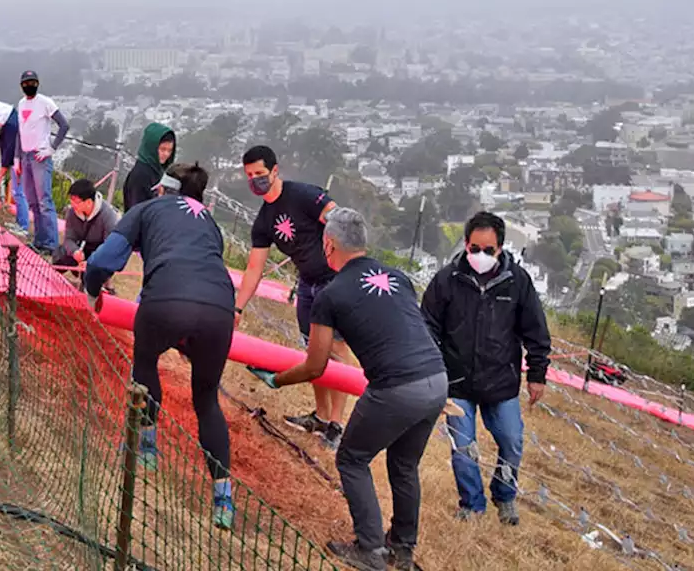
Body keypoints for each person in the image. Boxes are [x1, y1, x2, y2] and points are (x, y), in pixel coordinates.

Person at [254, 208, 447, 571]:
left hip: (395, 388)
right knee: (404, 464)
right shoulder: (398, 277)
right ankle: (402, 550)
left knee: (351, 458)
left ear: (328, 245)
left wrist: (276, 379)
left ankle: (370, 550)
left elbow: (316, 365)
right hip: (436, 380)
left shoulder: (331, 294)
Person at [83, 163, 237, 529]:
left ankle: (146, 448)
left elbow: (103, 260)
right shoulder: (210, 222)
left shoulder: (147, 209)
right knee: (206, 398)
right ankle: (223, 499)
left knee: (146, 362)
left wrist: (90, 293)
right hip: (220, 309)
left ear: (164, 190)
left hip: (166, 298)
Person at [420, 211, 552, 526]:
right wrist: (434, 369)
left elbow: (535, 330)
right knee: (462, 449)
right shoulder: (446, 280)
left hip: (501, 382)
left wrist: (537, 374)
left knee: (511, 440)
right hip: (457, 382)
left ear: (501, 248)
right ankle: (472, 505)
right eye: (474, 248)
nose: (480, 255)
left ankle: (505, 497)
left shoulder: (518, 282)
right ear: (466, 245)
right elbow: (427, 326)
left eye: (488, 250)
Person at [235, 144, 350, 449]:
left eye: (260, 173)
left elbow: (339, 219)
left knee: (336, 352)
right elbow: (254, 268)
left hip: (334, 282)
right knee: (313, 352)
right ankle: (322, 417)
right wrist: (237, 307)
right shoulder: (263, 221)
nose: (255, 180)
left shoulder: (302, 195)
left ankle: (337, 424)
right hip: (308, 286)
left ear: (274, 171)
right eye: (249, 175)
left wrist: (347, 264)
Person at [14, 70, 69, 254]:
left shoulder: (46, 103)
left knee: (44, 200)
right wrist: (17, 158)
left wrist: (52, 148)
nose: (29, 85)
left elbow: (64, 124)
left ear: (37, 83)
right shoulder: (21, 104)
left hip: (40, 156)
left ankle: (51, 244)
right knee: (33, 201)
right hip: (26, 156)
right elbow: (20, 132)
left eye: (32, 82)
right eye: (26, 83)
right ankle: (39, 240)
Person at [53, 178, 120, 273]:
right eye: (71, 200)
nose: (72, 205)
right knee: (61, 255)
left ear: (88, 202)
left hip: (98, 251)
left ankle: (103, 281)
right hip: (81, 248)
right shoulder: (72, 212)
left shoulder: (108, 216)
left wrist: (92, 261)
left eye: (76, 202)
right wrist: (75, 251)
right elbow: (68, 239)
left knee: (94, 273)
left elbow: (110, 248)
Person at [0, 99, 29, 235]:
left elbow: (9, 149)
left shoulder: (11, 125)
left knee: (19, 193)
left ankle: (23, 226)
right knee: (18, 192)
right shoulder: (12, 118)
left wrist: (2, 172)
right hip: (20, 158)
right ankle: (20, 222)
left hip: (20, 160)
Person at [122, 122, 176, 212]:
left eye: (169, 150)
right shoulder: (140, 175)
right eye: (162, 149)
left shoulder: (157, 170)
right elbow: (136, 211)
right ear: (152, 147)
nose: (166, 154)